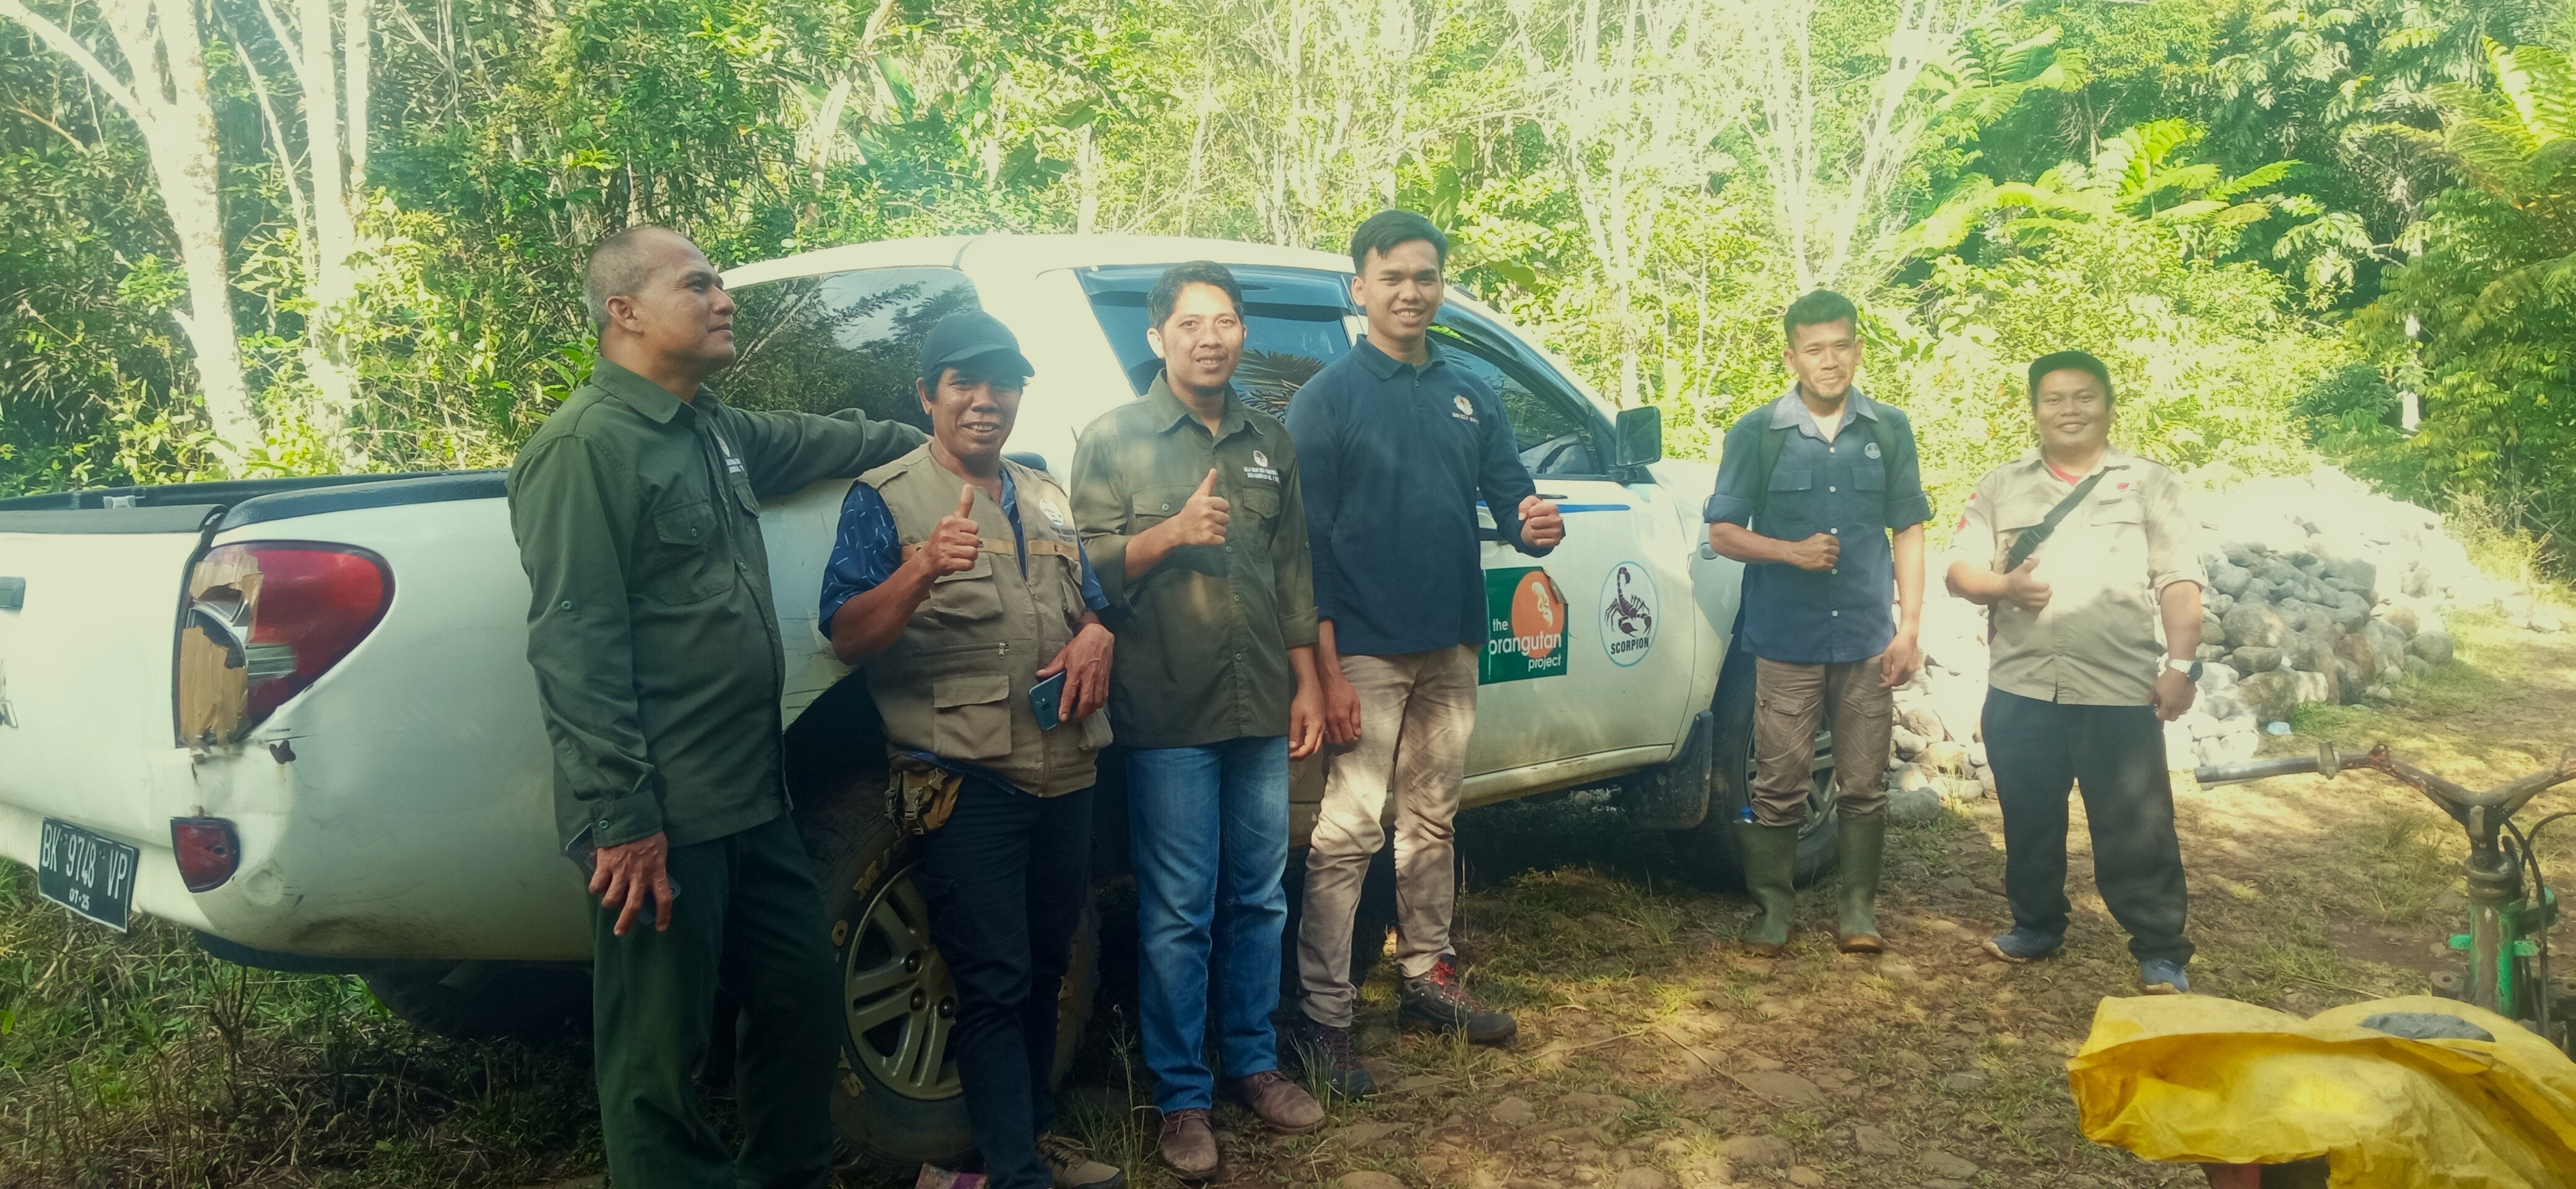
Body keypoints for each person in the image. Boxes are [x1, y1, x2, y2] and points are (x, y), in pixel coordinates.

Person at [507, 225, 925, 1189]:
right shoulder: (584, 451)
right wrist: (624, 819)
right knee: (657, 1055)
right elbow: (574, 644)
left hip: (752, 796)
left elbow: (833, 438)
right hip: (659, 814)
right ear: (626, 312)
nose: (724, 297)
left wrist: (934, 443)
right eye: (698, 284)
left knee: (799, 1000)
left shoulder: (712, 429)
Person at [817, 310, 1126, 1189]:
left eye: (1003, 383)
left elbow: (1091, 605)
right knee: (990, 979)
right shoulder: (884, 499)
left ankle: (1029, 1138)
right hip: (964, 779)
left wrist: (1099, 635)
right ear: (928, 395)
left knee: (1043, 967)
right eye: (964, 383)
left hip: (1065, 770)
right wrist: (918, 570)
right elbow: (846, 636)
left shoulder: (1048, 496)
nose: (986, 401)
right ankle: (1014, 1168)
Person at [1284, 210, 1565, 1094]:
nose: (1411, 292)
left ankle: (1427, 980)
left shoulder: (1471, 389)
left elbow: (1515, 500)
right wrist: (1325, 669)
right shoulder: (1325, 399)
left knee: (1435, 820)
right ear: (1359, 287)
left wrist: (1537, 527)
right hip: (1363, 648)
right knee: (1346, 834)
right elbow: (1306, 548)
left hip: (1451, 639)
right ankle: (1322, 1019)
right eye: (1393, 277)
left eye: (1426, 277)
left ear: (1442, 286)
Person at [1068, 261, 1330, 1177]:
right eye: (1191, 323)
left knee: (1258, 896)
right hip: (1169, 708)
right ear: (1157, 338)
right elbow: (1085, 570)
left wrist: (1306, 681)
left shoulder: (1270, 440)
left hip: (1260, 700)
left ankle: (1253, 1065)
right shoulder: (1114, 438)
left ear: (1241, 332)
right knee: (1179, 909)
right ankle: (1182, 1098)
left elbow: (1293, 571)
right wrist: (1169, 534)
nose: (1210, 337)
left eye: (1224, 321)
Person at [1944, 350, 2201, 994]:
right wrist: (2001, 583)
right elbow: (1959, 571)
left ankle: (2159, 949)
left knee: (2134, 823)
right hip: (2022, 685)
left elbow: (2177, 578)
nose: (2068, 409)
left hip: (2118, 687)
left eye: (2082, 397)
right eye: (2053, 399)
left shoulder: (2149, 483)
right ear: (2034, 410)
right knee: (2028, 817)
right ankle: (2035, 925)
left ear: (2107, 406)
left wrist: (2180, 665)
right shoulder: (2000, 484)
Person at [1703, 289, 1929, 956]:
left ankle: (1857, 909)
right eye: (1813, 349)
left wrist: (1908, 626)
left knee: (1862, 780)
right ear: (1790, 356)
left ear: (1857, 349)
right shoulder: (1756, 432)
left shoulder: (1887, 429)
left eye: (1840, 346)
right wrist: (1787, 552)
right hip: (1785, 637)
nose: (1828, 361)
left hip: (1865, 638)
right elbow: (1721, 533)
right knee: (1777, 779)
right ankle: (1773, 910)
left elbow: (1908, 528)